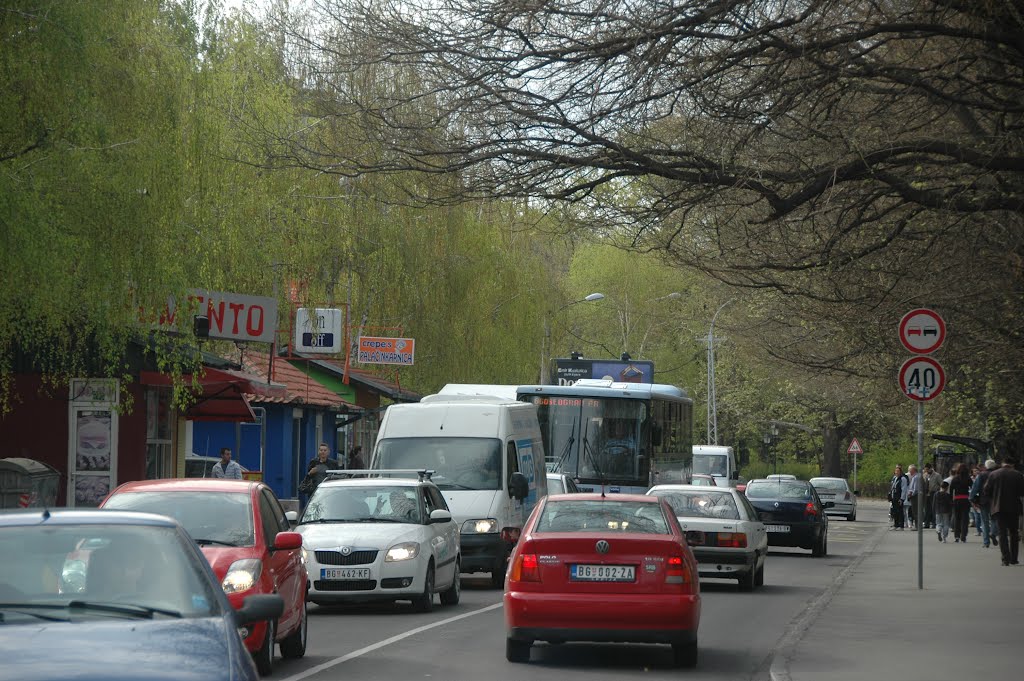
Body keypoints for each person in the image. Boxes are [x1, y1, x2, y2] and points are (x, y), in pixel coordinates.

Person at [984, 456, 1024, 566]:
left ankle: (1005, 559)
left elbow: (986, 490)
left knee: (1002, 533)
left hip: (998, 507)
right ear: (1012, 465)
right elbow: (1022, 492)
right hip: (1014, 507)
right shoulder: (1018, 475)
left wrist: (993, 499)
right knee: (1013, 533)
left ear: (1002, 463)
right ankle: (1014, 558)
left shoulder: (994, 474)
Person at [970, 459, 999, 548]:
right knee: (995, 519)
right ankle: (993, 533)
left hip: (983, 501)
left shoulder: (981, 475)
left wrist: (972, 497)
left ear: (986, 466)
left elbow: (975, 487)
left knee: (984, 521)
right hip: (995, 501)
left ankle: (986, 542)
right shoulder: (997, 474)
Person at [949, 463, 973, 543]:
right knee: (965, 519)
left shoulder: (955, 479)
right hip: (965, 500)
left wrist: (951, 500)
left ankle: (956, 536)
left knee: (957, 518)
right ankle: (963, 536)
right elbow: (972, 488)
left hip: (957, 500)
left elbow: (951, 490)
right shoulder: (968, 479)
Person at [921, 463, 942, 529]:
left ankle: (934, 523)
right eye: (925, 469)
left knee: (934, 508)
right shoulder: (925, 475)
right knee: (927, 509)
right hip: (926, 494)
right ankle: (926, 523)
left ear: (931, 468)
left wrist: (938, 490)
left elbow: (941, 484)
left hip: (934, 493)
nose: (926, 471)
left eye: (927, 469)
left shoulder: (937, 475)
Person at [888, 465, 908, 530]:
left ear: (900, 472)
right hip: (894, 497)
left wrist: (902, 498)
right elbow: (892, 487)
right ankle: (896, 525)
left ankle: (901, 526)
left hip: (899, 497)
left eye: (898, 471)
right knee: (894, 511)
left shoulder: (903, 479)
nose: (896, 472)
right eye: (896, 471)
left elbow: (904, 489)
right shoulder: (894, 478)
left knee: (900, 512)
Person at [906, 465, 920, 529]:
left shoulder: (916, 477)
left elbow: (915, 489)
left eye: (910, 470)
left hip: (915, 496)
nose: (909, 472)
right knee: (914, 511)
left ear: (913, 470)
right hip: (914, 496)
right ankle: (917, 525)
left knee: (915, 511)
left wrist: (911, 494)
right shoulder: (914, 477)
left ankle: (917, 526)